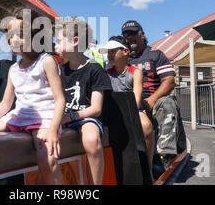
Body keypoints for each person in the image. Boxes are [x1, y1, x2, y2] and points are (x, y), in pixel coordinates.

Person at [0, 9, 66, 185]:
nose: (14, 39)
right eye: (11, 35)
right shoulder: (13, 69)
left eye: (20, 34)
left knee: (47, 162)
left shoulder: (46, 61)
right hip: (18, 118)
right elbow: (5, 105)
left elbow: (60, 100)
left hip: (43, 119)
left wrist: (52, 130)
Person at [121, 20, 186, 170]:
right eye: (125, 34)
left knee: (167, 102)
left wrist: (151, 100)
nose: (129, 37)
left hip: (154, 102)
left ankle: (163, 157)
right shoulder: (123, 58)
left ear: (142, 34)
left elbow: (169, 81)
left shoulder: (156, 54)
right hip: (130, 103)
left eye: (132, 33)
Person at [55, 17, 112, 185]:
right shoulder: (59, 70)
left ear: (75, 41)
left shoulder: (95, 69)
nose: (55, 45)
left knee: (91, 140)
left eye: (59, 41)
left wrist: (70, 117)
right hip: (63, 115)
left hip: (86, 117)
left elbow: (96, 109)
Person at [99, 36, 155, 174]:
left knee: (146, 127)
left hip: (133, 110)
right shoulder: (106, 74)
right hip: (113, 110)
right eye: (108, 52)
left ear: (125, 52)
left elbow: (136, 102)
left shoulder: (136, 72)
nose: (109, 55)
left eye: (113, 51)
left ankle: (147, 169)